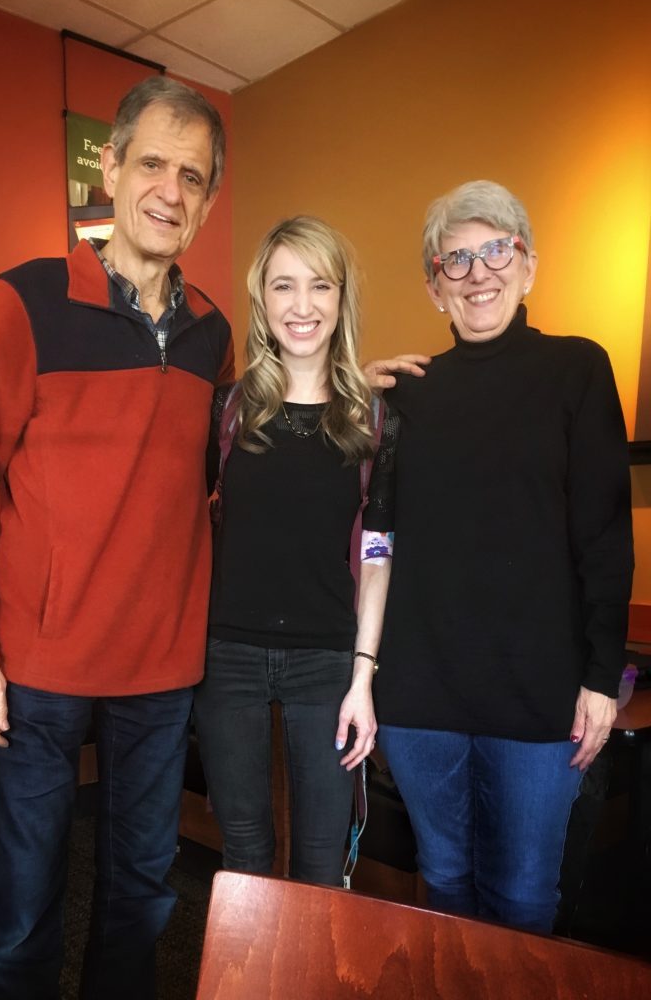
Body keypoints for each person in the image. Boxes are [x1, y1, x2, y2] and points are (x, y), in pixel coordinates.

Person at [0, 76, 234, 1000]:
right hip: (34, 668)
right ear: (109, 166)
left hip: (161, 672)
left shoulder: (216, 335)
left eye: (192, 175)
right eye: (152, 164)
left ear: (209, 198)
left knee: (140, 904)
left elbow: (242, 465)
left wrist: (355, 393)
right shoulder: (25, 304)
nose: (170, 191)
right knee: (22, 910)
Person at [373, 180, 634, 933]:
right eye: (456, 259)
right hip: (422, 694)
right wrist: (344, 394)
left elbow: (605, 534)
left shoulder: (578, 369)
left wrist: (600, 676)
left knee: (523, 898)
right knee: (446, 882)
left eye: (497, 250)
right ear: (434, 286)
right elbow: (370, 530)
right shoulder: (407, 392)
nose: (478, 271)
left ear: (528, 267)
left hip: (541, 693)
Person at [193, 216, 398, 885]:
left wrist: (363, 677)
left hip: (327, 664)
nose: (301, 305)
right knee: (245, 855)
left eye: (319, 285)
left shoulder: (372, 418)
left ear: (342, 299)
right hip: (228, 660)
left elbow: (376, 554)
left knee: (320, 860)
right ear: (263, 299)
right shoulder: (225, 410)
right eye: (283, 286)